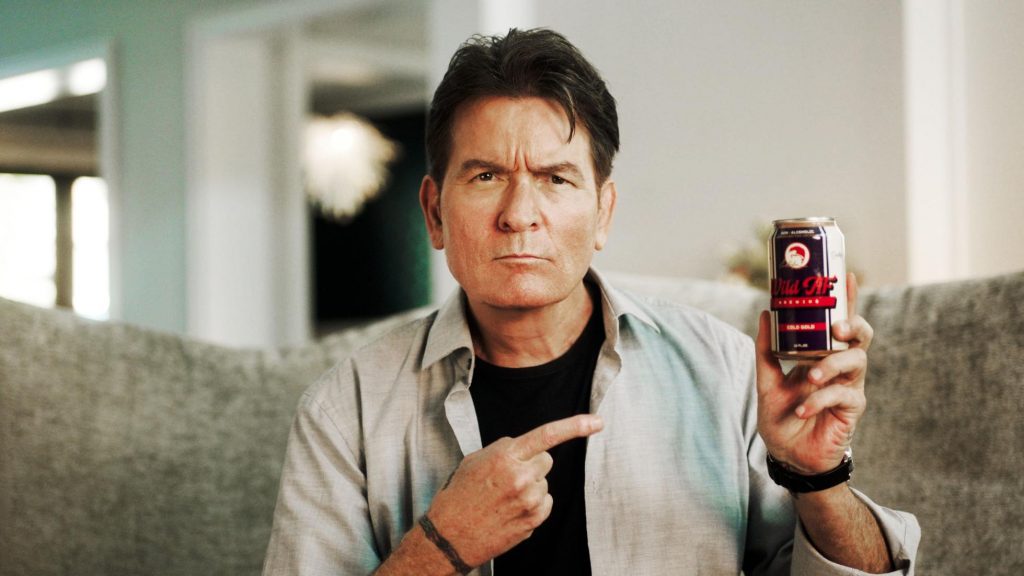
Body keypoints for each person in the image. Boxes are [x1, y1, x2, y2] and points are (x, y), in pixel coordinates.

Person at [262, 28, 919, 575]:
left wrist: (815, 477)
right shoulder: (344, 410)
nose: (519, 214)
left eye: (555, 179)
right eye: (486, 176)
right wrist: (442, 546)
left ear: (603, 212)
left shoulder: (723, 369)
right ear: (435, 212)